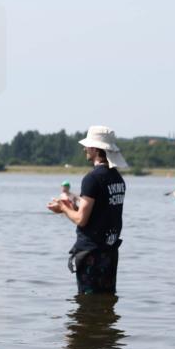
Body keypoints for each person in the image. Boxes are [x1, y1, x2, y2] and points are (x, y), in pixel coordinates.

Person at [47, 125, 127, 294]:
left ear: (95, 149)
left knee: (87, 305)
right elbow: (100, 210)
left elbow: (81, 219)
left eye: (87, 145)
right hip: (110, 251)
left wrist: (62, 207)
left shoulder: (92, 178)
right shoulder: (117, 178)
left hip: (91, 254)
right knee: (106, 300)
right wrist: (71, 205)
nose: (84, 148)